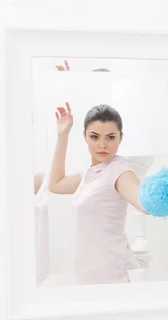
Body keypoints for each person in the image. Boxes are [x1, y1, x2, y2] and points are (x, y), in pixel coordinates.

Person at [48, 102, 147, 285]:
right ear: (85, 136)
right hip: (88, 273)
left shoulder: (120, 172)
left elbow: (144, 202)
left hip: (113, 275)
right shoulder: (89, 173)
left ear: (120, 137)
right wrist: (62, 136)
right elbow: (55, 185)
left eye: (110, 137)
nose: (102, 145)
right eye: (94, 137)